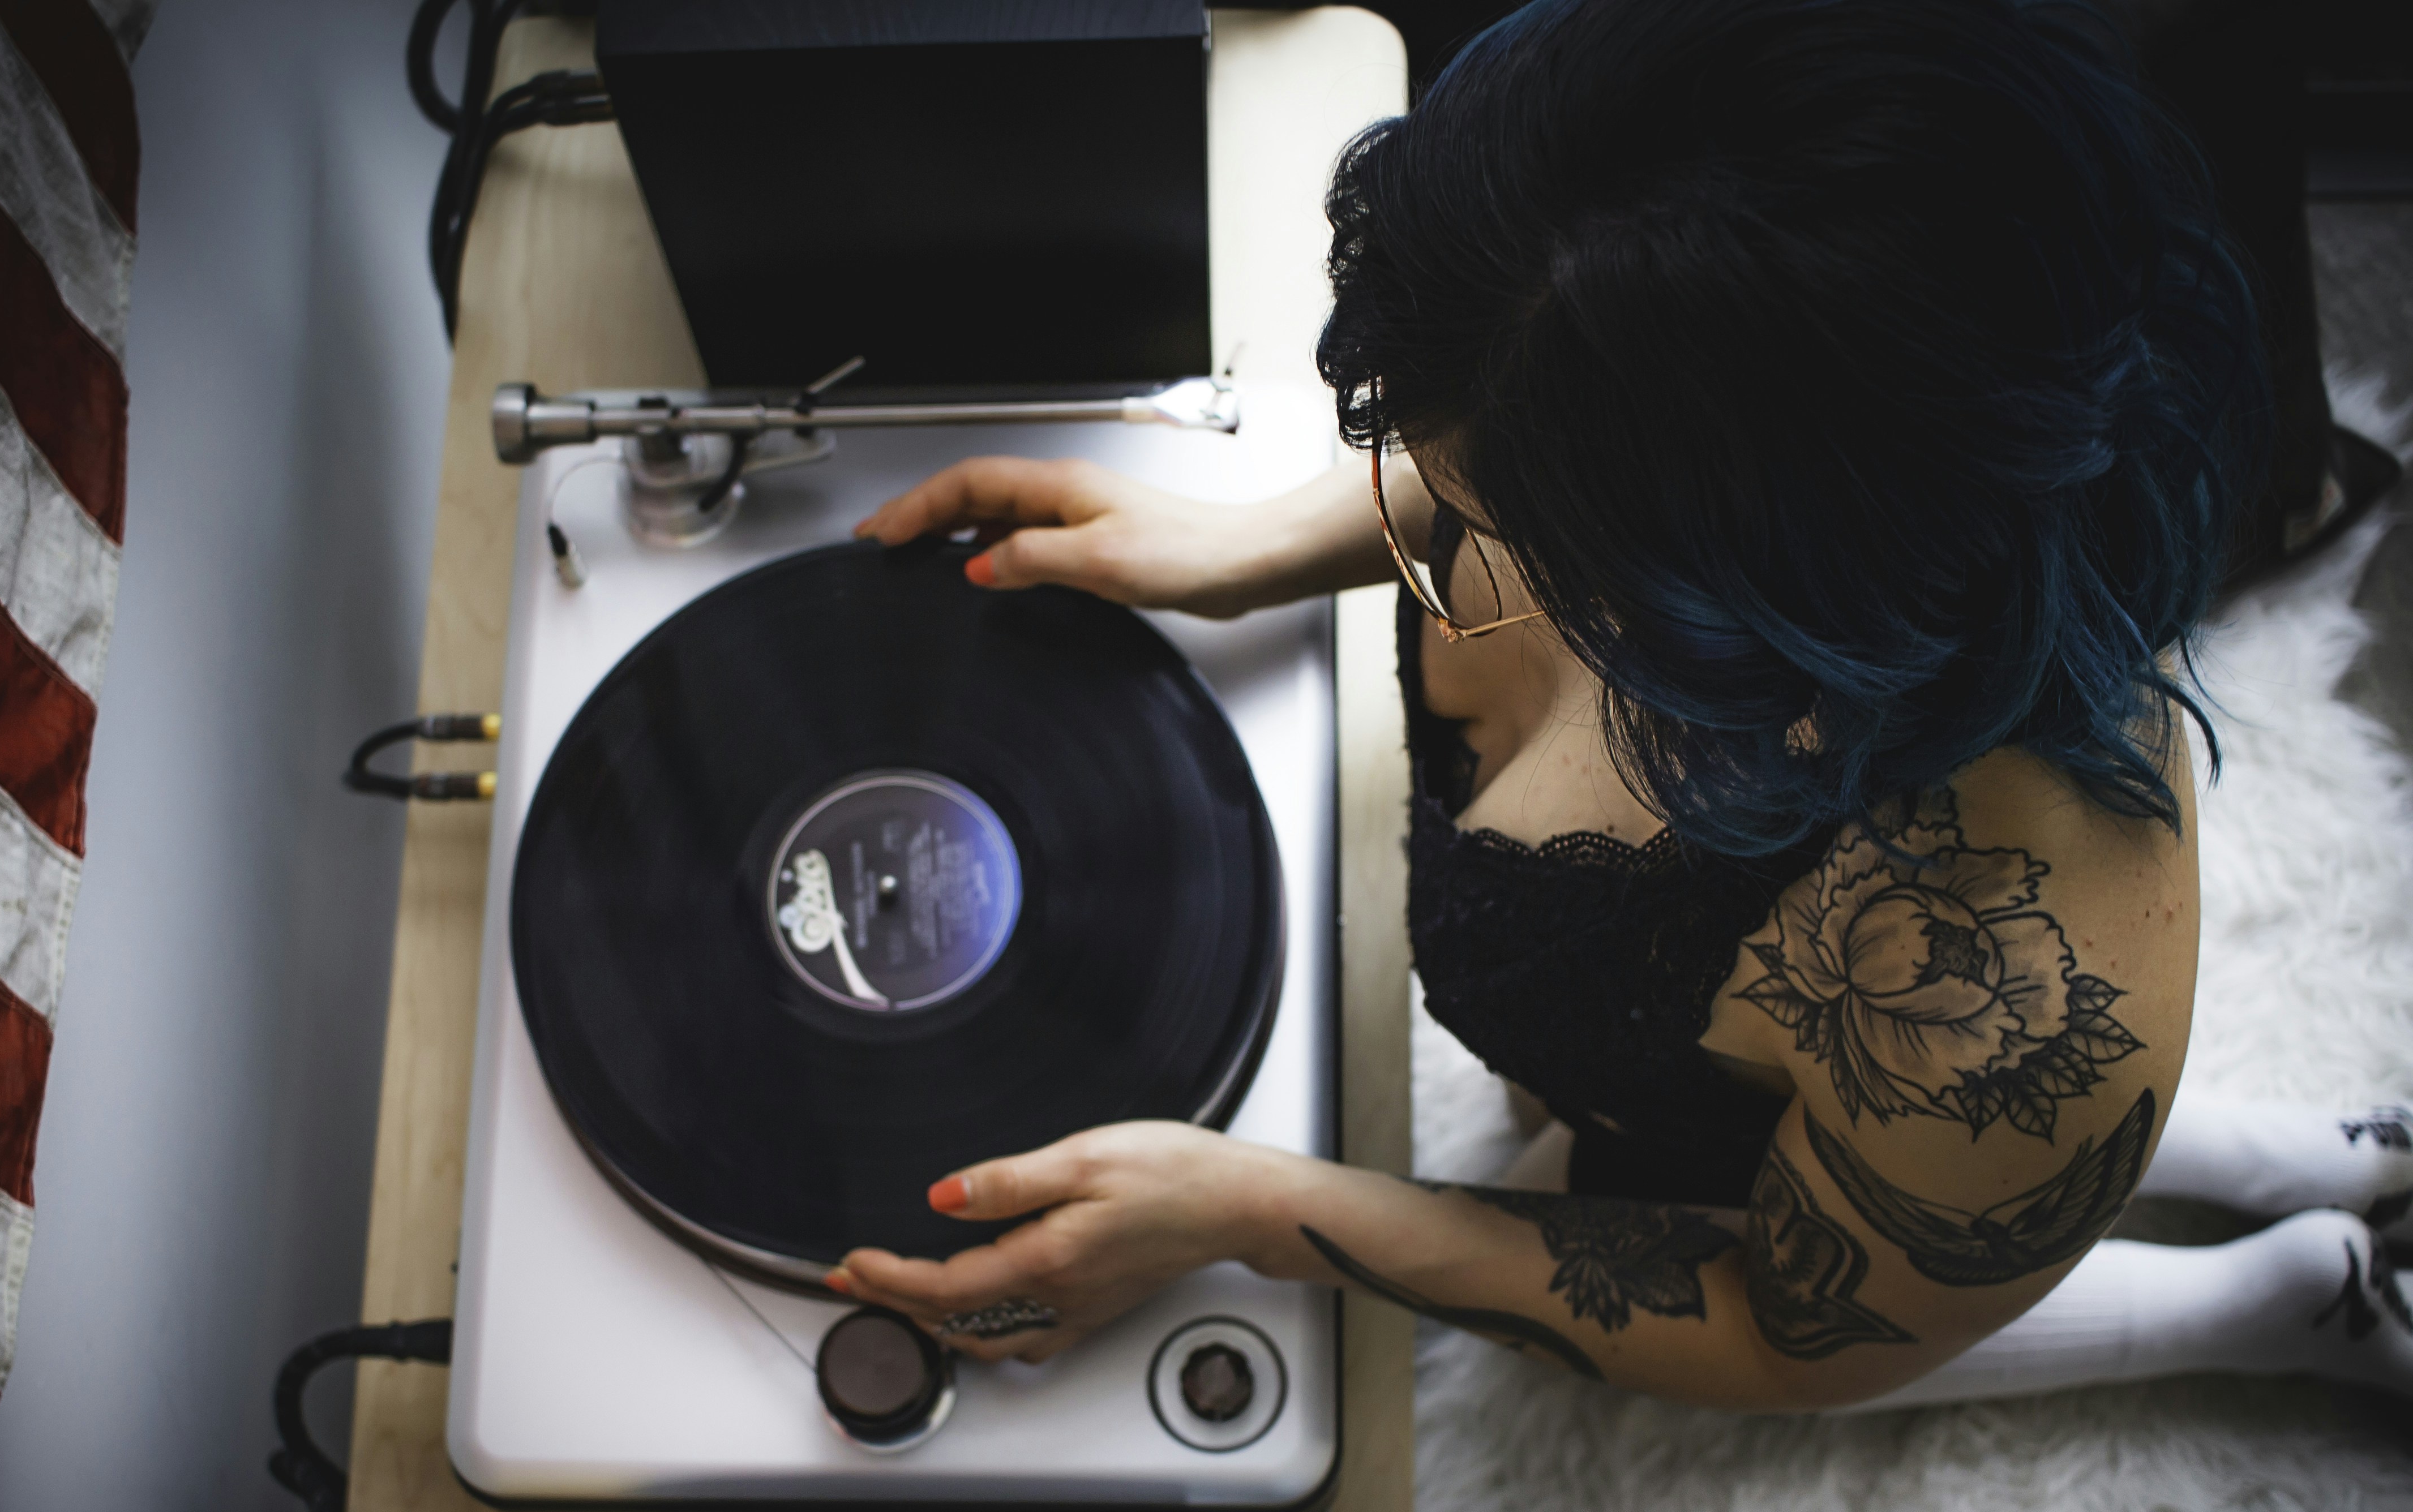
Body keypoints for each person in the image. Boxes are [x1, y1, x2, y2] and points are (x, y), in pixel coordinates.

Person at [826, 0, 2413, 1411]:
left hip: (1758, 1180)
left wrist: (1260, 1213)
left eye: (1509, 527)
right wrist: (1246, 548)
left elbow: (1793, 1336)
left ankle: (2275, 1306)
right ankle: (2271, 1157)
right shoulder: (1685, 293)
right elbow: (1550, 383)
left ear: (1775, 581)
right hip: (1816, 1098)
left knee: (1962, 1213)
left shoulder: (2019, 978)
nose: (1450, 553)